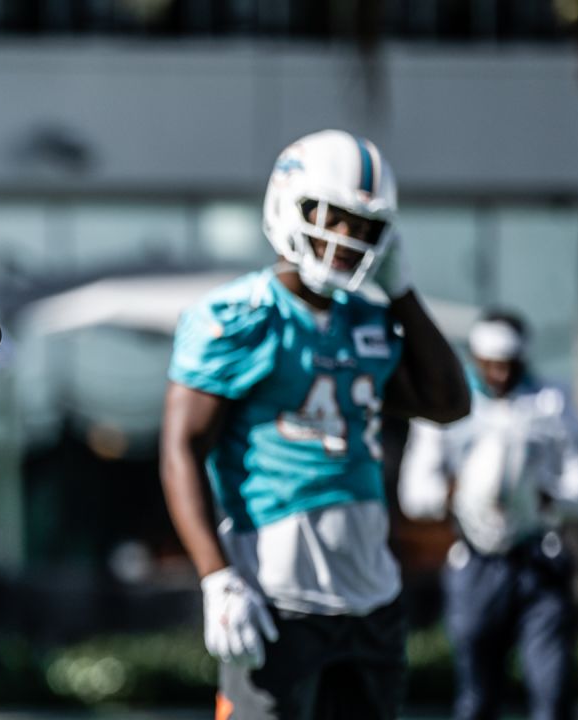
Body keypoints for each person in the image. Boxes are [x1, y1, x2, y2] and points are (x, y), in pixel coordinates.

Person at [160, 129, 471, 719]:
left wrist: (401, 292)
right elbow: (180, 447)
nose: (346, 238)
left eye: (363, 225)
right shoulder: (240, 316)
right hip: (276, 594)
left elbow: (449, 401)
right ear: (287, 203)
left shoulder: (367, 321)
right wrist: (216, 576)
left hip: (370, 596)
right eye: (334, 216)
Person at [400, 310, 578, 720]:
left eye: (508, 363)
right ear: (474, 358)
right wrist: (459, 492)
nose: (500, 373)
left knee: (550, 689)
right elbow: (415, 495)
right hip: (474, 563)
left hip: (538, 557)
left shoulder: (550, 404)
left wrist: (544, 497)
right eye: (490, 362)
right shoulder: (448, 407)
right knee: (477, 695)